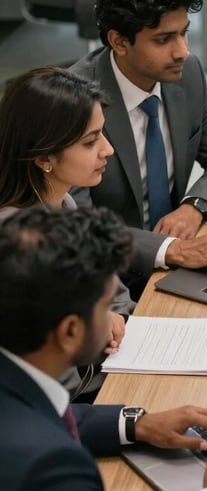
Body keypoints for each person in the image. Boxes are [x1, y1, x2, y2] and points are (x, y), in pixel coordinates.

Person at [0, 206, 207, 490]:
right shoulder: (54, 470)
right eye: (106, 307)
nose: (115, 317)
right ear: (70, 330)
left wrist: (136, 425)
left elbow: (45, 413)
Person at [69, 0, 207, 295]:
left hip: (179, 261)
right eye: (164, 39)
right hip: (108, 277)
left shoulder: (187, 73)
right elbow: (76, 223)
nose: (183, 51)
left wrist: (194, 207)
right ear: (119, 41)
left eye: (184, 33)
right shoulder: (74, 101)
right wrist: (169, 249)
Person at [0, 66, 133, 399]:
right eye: (91, 141)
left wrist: (111, 314)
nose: (108, 150)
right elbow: (59, 393)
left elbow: (117, 293)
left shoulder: (63, 204)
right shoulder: (22, 240)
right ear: (45, 157)